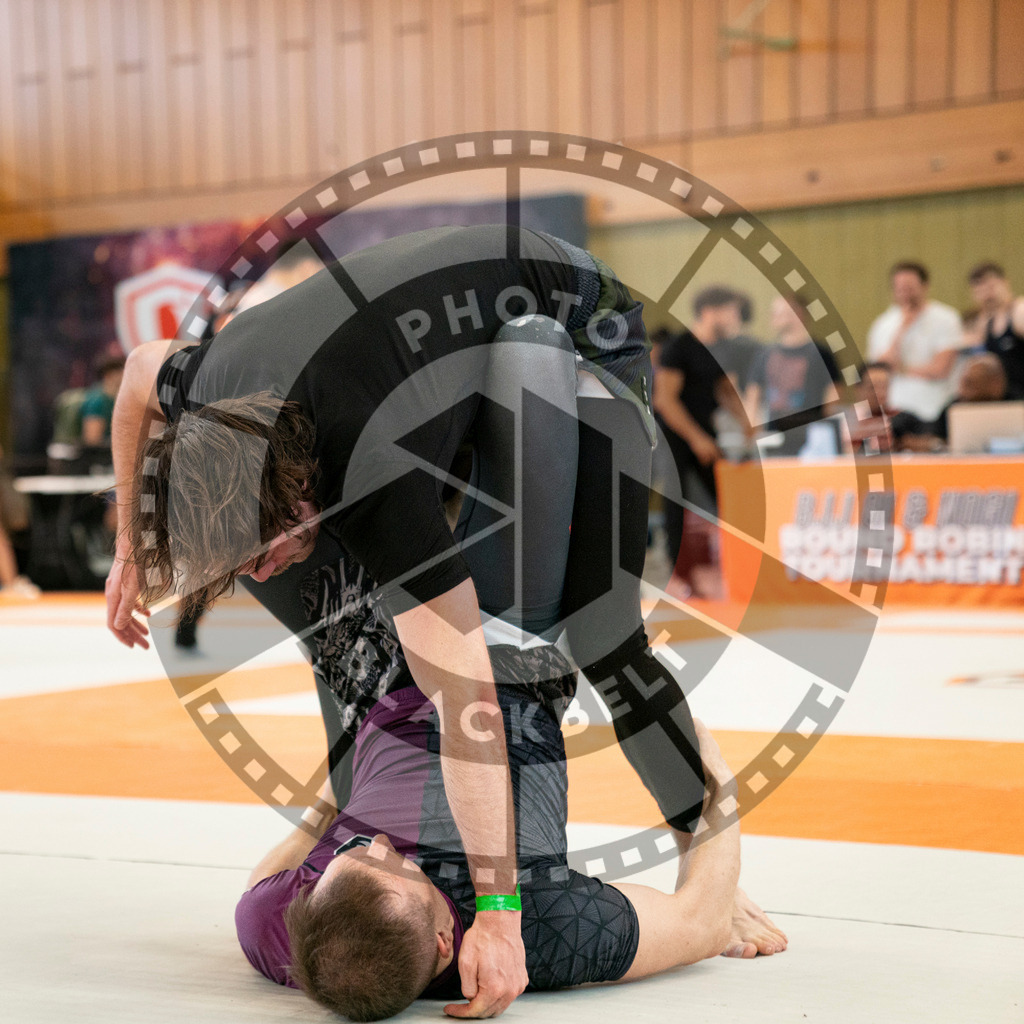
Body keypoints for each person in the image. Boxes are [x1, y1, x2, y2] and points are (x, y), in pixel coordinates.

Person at [105, 225, 707, 1016]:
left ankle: (708, 850)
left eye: (256, 556)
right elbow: (143, 374)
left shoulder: (372, 471)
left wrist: (497, 914)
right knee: (335, 632)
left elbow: (469, 706)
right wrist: (132, 536)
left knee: (601, 631)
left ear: (298, 499)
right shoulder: (218, 395)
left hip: (582, 320)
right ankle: (353, 786)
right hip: (439, 349)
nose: (254, 577)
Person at [236, 636, 786, 1020]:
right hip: (517, 663)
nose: (377, 840)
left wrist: (327, 807)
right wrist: (714, 774)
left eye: (354, 849)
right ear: (446, 943)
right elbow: (704, 921)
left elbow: (259, 888)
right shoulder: (543, 929)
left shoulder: (301, 935)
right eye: (389, 859)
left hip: (391, 658)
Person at [652, 286, 752, 593]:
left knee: (722, 498)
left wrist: (749, 424)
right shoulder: (678, 348)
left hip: (707, 436)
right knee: (678, 502)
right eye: (731, 310)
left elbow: (723, 391)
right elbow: (665, 401)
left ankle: (722, 567)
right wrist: (696, 439)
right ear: (709, 310)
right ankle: (678, 575)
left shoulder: (719, 350)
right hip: (678, 438)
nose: (736, 318)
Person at [743, 295, 842, 457]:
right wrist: (753, 431)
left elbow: (833, 393)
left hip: (811, 437)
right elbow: (753, 394)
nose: (773, 318)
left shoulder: (820, 353)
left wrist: (823, 431)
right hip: (774, 435)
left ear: (798, 314)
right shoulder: (764, 354)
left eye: (779, 313)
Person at [867, 261, 962, 421]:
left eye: (910, 288)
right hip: (894, 407)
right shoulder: (883, 324)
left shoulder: (946, 319)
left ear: (925, 286)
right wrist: (902, 330)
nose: (905, 294)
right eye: (900, 289)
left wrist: (901, 369)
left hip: (933, 407)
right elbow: (879, 371)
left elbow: (941, 369)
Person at [893, 352, 1013, 452]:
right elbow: (933, 434)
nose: (962, 389)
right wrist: (934, 444)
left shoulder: (1014, 404)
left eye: (970, 383)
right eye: (964, 382)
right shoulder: (955, 406)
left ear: (997, 383)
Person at [968, 262, 1024, 397]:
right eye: (980, 291)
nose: (987, 295)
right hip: (1003, 395)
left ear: (1005, 283)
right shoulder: (985, 321)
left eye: (991, 287)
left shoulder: (1019, 311)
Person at [79, 355, 126, 447]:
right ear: (109, 375)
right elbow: (92, 440)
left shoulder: (116, 398)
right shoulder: (97, 401)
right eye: (121, 371)